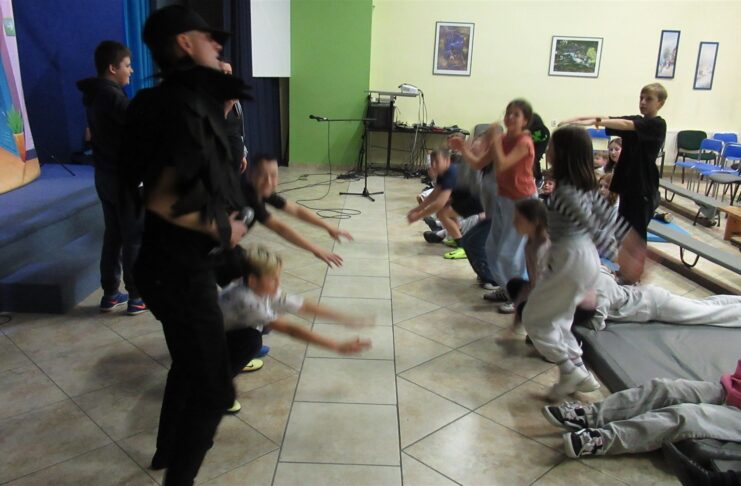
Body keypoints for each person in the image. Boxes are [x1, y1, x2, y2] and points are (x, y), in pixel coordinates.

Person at [123, 6, 251, 484]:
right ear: (184, 42)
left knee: (206, 357)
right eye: (208, 38)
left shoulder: (184, 102)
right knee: (215, 389)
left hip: (181, 262)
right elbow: (159, 197)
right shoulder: (174, 106)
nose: (218, 45)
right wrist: (221, 230)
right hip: (175, 270)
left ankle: (166, 450)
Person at [519, 126, 643, 400]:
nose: (547, 150)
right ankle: (573, 373)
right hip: (580, 259)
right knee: (560, 320)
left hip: (572, 258)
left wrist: (624, 254)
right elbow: (610, 219)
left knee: (534, 319)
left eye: (552, 146)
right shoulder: (583, 187)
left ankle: (570, 369)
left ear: (563, 154)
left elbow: (593, 225)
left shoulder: (567, 193)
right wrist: (632, 247)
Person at [219, 245, 372, 412]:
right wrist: (337, 346)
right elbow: (291, 329)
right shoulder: (247, 301)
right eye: (272, 279)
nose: (278, 284)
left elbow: (303, 306)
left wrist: (343, 318)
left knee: (263, 326)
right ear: (252, 280)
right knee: (252, 341)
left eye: (278, 277)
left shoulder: (255, 288)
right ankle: (215, 386)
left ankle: (228, 359)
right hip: (207, 342)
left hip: (225, 331)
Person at [560, 83, 668, 279]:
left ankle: (633, 276)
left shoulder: (657, 125)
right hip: (628, 186)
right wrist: (580, 119)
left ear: (660, 103)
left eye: (648, 99)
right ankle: (624, 271)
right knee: (623, 232)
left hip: (643, 188)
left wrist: (595, 121)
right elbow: (609, 119)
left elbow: (625, 125)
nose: (643, 102)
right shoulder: (637, 120)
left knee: (636, 234)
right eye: (641, 98)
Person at [543, 359, 741, 459]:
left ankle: (602, 440)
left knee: (687, 416)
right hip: (732, 389)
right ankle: (592, 415)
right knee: (664, 387)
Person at [77, 41, 146, 315]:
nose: (131, 70)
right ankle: (137, 296)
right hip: (123, 178)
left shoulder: (95, 94)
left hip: (105, 176)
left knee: (114, 235)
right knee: (133, 237)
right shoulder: (113, 97)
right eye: (127, 65)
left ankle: (110, 293)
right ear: (112, 68)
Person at [450, 99, 538, 313]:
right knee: (492, 248)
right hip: (503, 199)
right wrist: (463, 149)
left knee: (510, 254)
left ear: (525, 120)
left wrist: (495, 140)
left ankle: (520, 296)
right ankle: (507, 288)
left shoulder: (524, 142)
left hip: (522, 203)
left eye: (516, 114)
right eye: (508, 113)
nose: (510, 117)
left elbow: (503, 164)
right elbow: (478, 163)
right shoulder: (503, 139)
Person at [243, 154, 350, 267]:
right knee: (262, 269)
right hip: (228, 247)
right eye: (262, 175)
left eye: (273, 175)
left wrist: (328, 226)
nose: (268, 182)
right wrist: (316, 249)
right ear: (250, 174)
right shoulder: (248, 197)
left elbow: (296, 210)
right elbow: (281, 229)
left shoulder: (261, 192)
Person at [580, 266, 741, 330]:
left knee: (707, 314)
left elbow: (597, 323)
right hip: (649, 296)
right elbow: (607, 271)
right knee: (702, 305)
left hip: (654, 305)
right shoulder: (593, 269)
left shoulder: (595, 286)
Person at [407, 148, 483, 253]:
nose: (433, 165)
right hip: (466, 199)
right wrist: (417, 209)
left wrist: (418, 216)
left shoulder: (451, 173)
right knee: (445, 210)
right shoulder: (443, 173)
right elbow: (434, 195)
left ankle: (462, 247)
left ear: (447, 160)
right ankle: (457, 238)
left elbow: (439, 203)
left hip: (477, 202)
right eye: (432, 162)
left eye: (437, 162)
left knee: (443, 214)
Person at [506, 198, 550, 315]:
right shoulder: (530, 242)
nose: (514, 223)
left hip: (556, 294)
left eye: (518, 220)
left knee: (527, 310)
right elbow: (533, 279)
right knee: (514, 286)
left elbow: (547, 283)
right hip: (541, 289)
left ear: (534, 221)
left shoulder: (544, 247)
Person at [219, 61, 248, 175]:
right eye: (222, 72)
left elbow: (240, 130)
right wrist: (226, 109)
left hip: (235, 163)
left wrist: (242, 154)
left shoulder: (235, 100)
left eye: (229, 73)